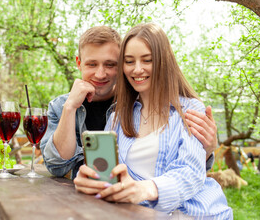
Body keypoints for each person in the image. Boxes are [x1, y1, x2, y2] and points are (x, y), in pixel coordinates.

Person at [74, 23, 232, 219]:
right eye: (129, 61)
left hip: (195, 213)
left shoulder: (190, 110)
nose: (137, 69)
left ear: (163, 61)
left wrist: (144, 189)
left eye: (147, 60)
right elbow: (111, 177)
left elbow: (190, 172)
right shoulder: (117, 118)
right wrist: (90, 180)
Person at [40, 26, 218, 180]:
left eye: (110, 65)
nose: (100, 74)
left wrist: (207, 150)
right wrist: (70, 108)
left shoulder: (140, 103)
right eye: (92, 64)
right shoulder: (61, 106)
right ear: (79, 63)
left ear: (121, 65)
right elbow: (57, 167)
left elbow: (183, 168)